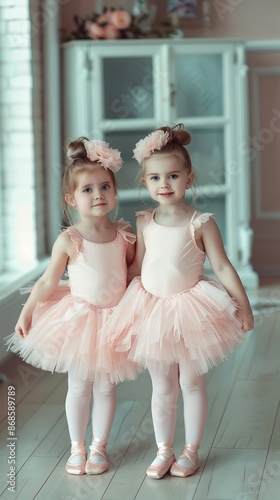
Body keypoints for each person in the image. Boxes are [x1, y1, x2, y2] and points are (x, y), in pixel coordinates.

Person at [100, 124, 254, 479]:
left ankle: (191, 451)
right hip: (152, 310)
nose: (164, 184)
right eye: (155, 178)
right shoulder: (144, 221)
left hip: (191, 311)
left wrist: (243, 304)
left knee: (191, 383)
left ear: (189, 177)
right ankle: (164, 450)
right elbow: (137, 267)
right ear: (145, 183)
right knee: (162, 386)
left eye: (172, 176)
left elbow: (223, 267)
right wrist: (116, 303)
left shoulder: (201, 223)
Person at [6, 137, 138, 476]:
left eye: (105, 186)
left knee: (107, 386)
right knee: (79, 385)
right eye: (88, 190)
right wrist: (28, 311)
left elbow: (133, 275)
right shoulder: (70, 239)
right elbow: (48, 281)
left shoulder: (123, 235)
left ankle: (99, 448)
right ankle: (76, 447)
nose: (98, 195)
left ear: (114, 189)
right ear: (72, 199)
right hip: (81, 319)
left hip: (114, 320)